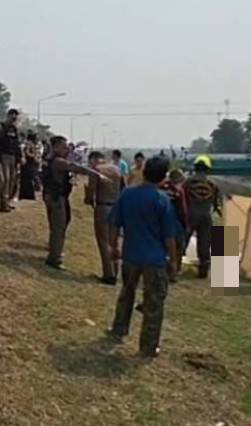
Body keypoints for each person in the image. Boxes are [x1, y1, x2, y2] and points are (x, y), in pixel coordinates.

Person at [107, 156, 178, 357]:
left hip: (130, 255)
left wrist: (113, 247)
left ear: (144, 171)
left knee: (126, 294)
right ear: (163, 177)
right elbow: (169, 236)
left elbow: (114, 223)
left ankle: (119, 328)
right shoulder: (162, 200)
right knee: (154, 303)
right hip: (154, 260)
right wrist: (173, 261)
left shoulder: (127, 194)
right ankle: (148, 346)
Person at [41, 135, 100, 270]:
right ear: (56, 147)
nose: (67, 149)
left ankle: (54, 250)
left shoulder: (49, 159)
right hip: (57, 197)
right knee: (59, 227)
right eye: (64, 147)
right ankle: (55, 257)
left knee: (56, 225)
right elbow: (75, 167)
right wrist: (95, 173)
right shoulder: (58, 161)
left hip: (51, 195)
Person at [85, 150, 122, 284]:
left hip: (103, 206)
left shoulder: (96, 170)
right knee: (114, 241)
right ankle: (116, 271)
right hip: (116, 206)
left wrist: (89, 200)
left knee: (104, 241)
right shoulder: (116, 169)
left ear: (93, 159)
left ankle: (108, 274)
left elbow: (91, 190)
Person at [183, 157, 222, 278]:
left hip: (190, 214)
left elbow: (182, 199)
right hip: (206, 215)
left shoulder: (188, 183)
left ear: (195, 169)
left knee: (183, 240)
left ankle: (175, 266)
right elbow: (216, 203)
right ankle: (203, 270)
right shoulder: (213, 184)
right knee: (204, 243)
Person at [160, 167, 188, 276]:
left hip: (159, 221)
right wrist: (185, 224)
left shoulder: (160, 187)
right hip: (174, 221)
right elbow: (183, 209)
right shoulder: (178, 191)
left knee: (162, 247)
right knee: (178, 247)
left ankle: (162, 268)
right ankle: (175, 270)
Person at [0, 109, 22, 211]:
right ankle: (3, 203)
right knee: (5, 179)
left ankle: (8, 201)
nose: (13, 118)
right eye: (12, 116)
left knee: (12, 179)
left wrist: (20, 156)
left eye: (15, 117)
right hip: (4, 155)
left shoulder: (14, 129)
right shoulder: (1, 127)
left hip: (13, 156)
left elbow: (17, 144)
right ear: (8, 116)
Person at [19, 131, 42, 200]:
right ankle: (28, 196)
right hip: (28, 164)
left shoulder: (32, 144)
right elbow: (27, 152)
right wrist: (34, 156)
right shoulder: (29, 144)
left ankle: (27, 195)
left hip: (30, 164)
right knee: (28, 180)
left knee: (28, 180)